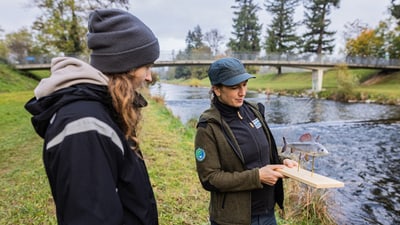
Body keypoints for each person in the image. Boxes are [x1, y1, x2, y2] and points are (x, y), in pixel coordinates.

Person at [24, 9, 159, 225]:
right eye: (147, 66)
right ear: (127, 65)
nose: (150, 77)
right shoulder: (84, 126)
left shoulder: (102, 111)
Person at [194, 57, 298, 225]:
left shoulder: (253, 111)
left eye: (244, 84)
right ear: (217, 90)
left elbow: (264, 154)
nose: (242, 92)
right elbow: (210, 178)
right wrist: (257, 177)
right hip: (234, 219)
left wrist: (282, 162)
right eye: (235, 87)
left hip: (267, 214)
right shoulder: (208, 127)